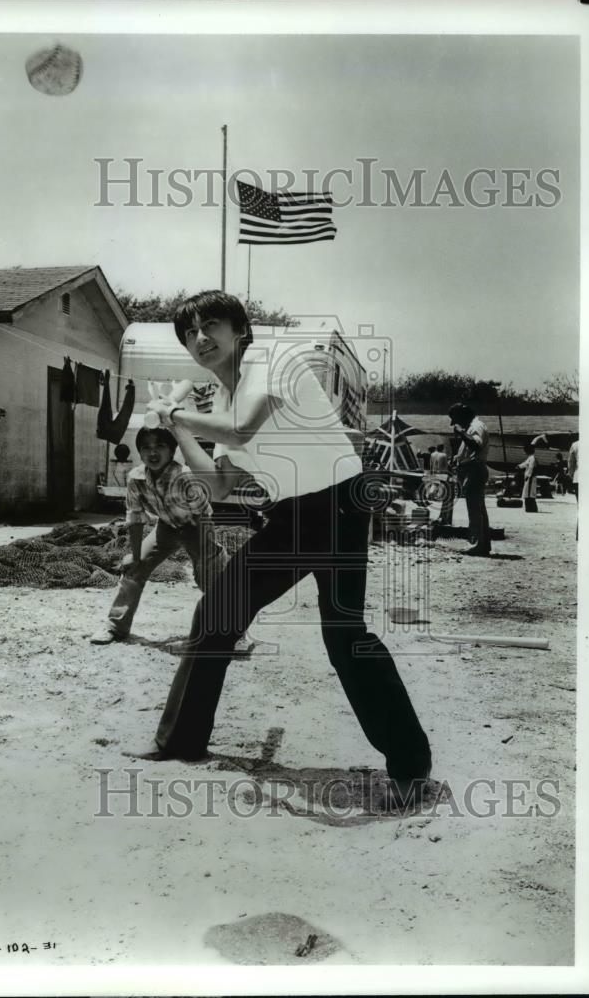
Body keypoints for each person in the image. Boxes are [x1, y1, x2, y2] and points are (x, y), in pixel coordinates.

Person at [134, 291, 432, 811]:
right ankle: (181, 740)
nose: (201, 339)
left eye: (212, 326)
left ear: (240, 330)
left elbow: (243, 429)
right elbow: (221, 487)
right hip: (290, 516)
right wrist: (179, 428)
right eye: (190, 333)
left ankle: (411, 767)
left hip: (340, 508)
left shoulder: (276, 360)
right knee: (217, 611)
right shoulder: (220, 402)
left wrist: (176, 411)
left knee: (345, 640)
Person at [90, 426, 227, 644]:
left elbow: (202, 516)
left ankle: (229, 631)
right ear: (140, 452)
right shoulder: (136, 478)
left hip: (196, 527)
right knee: (134, 569)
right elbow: (135, 518)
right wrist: (135, 555)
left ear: (172, 450)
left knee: (211, 577)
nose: (153, 453)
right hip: (166, 527)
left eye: (160, 446)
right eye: (146, 448)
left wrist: (205, 558)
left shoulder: (185, 476)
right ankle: (115, 627)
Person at [448, 402, 492, 556]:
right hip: (473, 469)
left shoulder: (476, 426)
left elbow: (476, 446)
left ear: (462, 416)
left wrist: (461, 432)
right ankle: (483, 543)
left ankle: (478, 544)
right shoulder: (472, 427)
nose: (457, 424)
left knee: (475, 510)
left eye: (457, 420)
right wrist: (457, 458)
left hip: (475, 470)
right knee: (478, 509)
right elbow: (468, 450)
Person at [517, 442, 539, 513]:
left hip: (530, 478)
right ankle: (530, 508)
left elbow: (531, 467)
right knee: (528, 493)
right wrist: (519, 466)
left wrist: (528, 475)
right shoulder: (530, 458)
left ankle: (531, 508)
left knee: (529, 494)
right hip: (529, 478)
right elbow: (525, 463)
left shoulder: (532, 458)